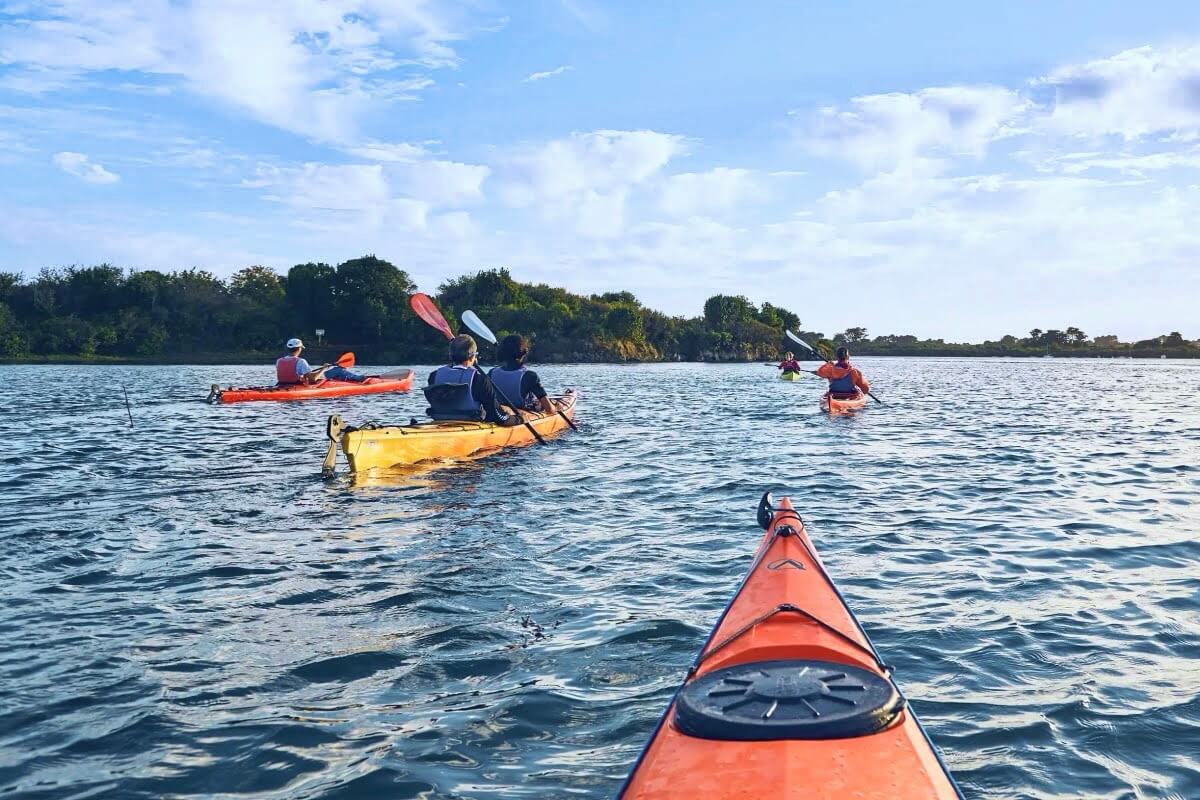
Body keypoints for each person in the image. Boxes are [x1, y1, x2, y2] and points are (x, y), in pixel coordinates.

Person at [424, 334, 518, 425]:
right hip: (470, 424)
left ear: (450, 355)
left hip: (439, 422)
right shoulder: (479, 380)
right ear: (473, 356)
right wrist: (518, 419)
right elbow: (497, 416)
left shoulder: (434, 376)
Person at [487, 334, 557, 414]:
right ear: (524, 353)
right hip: (519, 417)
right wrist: (557, 407)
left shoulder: (492, 373)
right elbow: (549, 409)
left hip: (498, 415)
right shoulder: (530, 376)